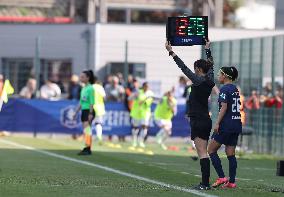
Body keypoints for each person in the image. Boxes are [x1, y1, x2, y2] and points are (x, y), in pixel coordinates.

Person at [165, 39, 214, 190]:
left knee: (202, 153)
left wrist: (171, 52)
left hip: (198, 119)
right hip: (206, 119)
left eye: (195, 68)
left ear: (199, 69)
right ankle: (205, 183)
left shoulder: (198, 80)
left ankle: (205, 184)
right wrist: (207, 49)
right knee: (203, 151)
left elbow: (183, 68)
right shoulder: (210, 79)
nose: (193, 71)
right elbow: (211, 65)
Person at [208, 67, 242, 189]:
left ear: (225, 76)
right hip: (236, 124)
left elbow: (224, 107)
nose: (218, 76)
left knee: (211, 150)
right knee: (230, 153)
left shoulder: (225, 89)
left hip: (226, 125)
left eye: (220, 74)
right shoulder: (235, 89)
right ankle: (231, 182)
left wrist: (217, 123)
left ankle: (222, 177)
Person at [74, 70, 95, 155]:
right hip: (84, 110)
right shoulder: (83, 88)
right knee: (86, 130)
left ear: (88, 78)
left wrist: (90, 113)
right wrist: (76, 112)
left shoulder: (90, 88)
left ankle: (88, 148)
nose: (81, 78)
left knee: (87, 130)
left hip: (88, 111)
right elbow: (81, 102)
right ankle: (87, 147)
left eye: (83, 77)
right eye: (80, 76)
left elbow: (91, 102)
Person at [129, 82, 154, 148]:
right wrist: (134, 95)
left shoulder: (150, 94)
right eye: (145, 86)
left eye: (147, 87)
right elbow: (130, 98)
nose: (146, 88)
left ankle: (141, 141)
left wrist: (145, 99)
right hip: (137, 112)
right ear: (143, 87)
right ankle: (134, 141)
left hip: (145, 113)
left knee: (144, 127)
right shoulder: (138, 92)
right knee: (135, 128)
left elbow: (147, 103)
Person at [93, 77, 106, 145]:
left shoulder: (90, 87)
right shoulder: (100, 87)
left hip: (92, 107)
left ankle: (90, 137)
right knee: (98, 123)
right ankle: (99, 136)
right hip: (100, 107)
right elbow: (104, 97)